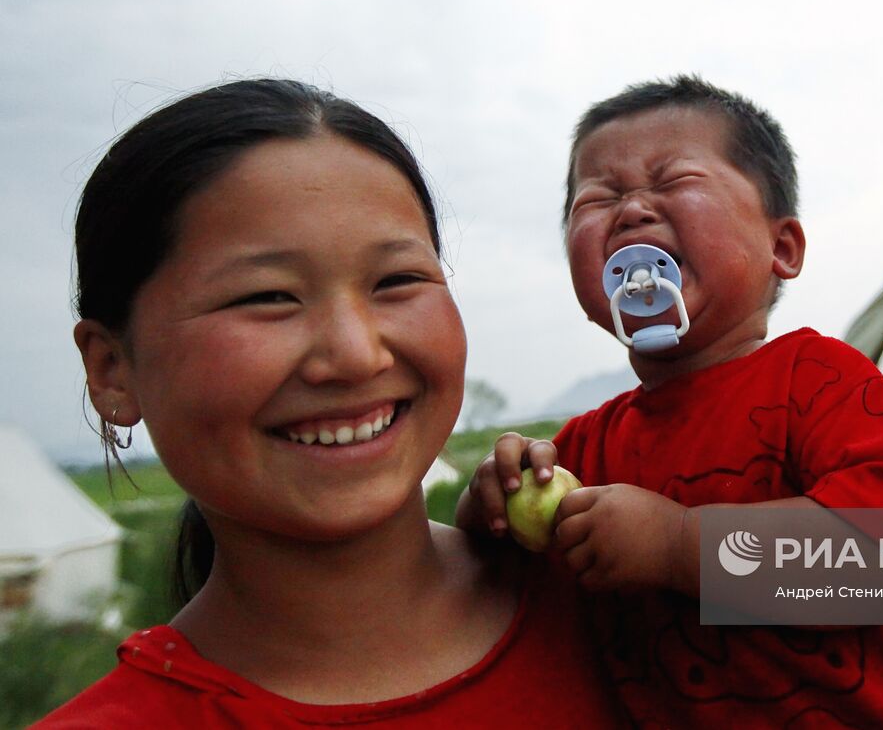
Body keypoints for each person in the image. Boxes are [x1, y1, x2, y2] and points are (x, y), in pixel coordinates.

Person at [41, 80, 621, 727]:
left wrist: (682, 548)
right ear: (111, 369)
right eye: (267, 296)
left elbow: (760, 574)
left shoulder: (614, 563)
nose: (355, 354)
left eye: (397, 280)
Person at [462, 76, 883, 727]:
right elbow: (488, 588)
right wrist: (488, 506)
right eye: (596, 197)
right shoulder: (581, 453)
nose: (631, 210)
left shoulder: (824, 384)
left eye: (672, 182)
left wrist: (676, 544)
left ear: (782, 247)